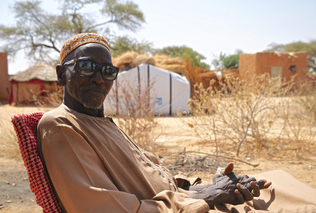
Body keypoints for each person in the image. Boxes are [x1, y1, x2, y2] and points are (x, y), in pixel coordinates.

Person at [37, 33, 316, 213]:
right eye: (86, 67)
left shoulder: (100, 122)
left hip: (187, 200)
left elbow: (147, 182)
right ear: (62, 75)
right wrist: (205, 198)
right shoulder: (61, 125)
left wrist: (208, 187)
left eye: (108, 71)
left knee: (275, 180)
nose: (99, 79)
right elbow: (102, 207)